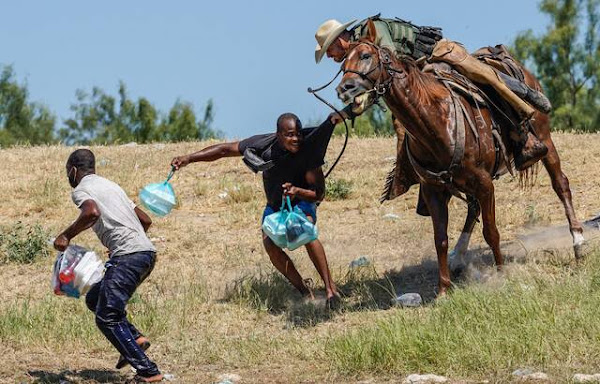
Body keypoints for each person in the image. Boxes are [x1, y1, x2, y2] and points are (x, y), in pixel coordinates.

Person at [314, 16, 552, 173]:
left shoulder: (372, 30)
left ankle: (523, 123)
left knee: (483, 78)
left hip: (437, 55)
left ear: (340, 39)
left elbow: (391, 67)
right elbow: (375, 88)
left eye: (329, 49)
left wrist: (351, 108)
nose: (329, 56)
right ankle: (417, 173)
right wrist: (347, 111)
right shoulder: (357, 58)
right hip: (417, 75)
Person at [170, 111, 349, 308]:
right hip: (275, 206)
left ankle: (331, 290)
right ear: (279, 134)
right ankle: (305, 292)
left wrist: (297, 191)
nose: (296, 138)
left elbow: (319, 194)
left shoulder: (309, 152)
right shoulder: (263, 145)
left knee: (305, 231)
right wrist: (189, 158)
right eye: (290, 134)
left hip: (302, 201)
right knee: (270, 246)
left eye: (298, 133)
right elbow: (224, 150)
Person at [53, 149, 162, 383]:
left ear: (73, 170)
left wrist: (66, 235)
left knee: (107, 317)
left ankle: (148, 372)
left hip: (129, 256)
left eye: (67, 173)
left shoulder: (82, 189)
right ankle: (136, 339)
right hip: (146, 253)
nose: (68, 178)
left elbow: (91, 212)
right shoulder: (112, 186)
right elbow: (145, 220)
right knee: (95, 298)